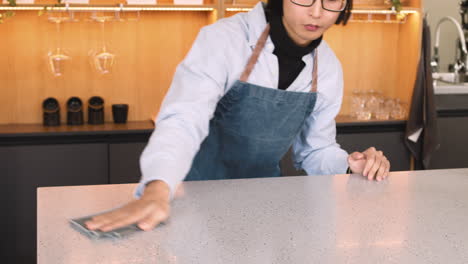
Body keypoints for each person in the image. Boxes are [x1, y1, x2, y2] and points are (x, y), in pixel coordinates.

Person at [85, 0, 391, 232]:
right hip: (190, 196)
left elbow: (314, 151)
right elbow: (183, 119)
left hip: (264, 204)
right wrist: (158, 187)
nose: (317, 12)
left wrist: (349, 164)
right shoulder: (224, 40)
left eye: (331, 0)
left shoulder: (328, 68)